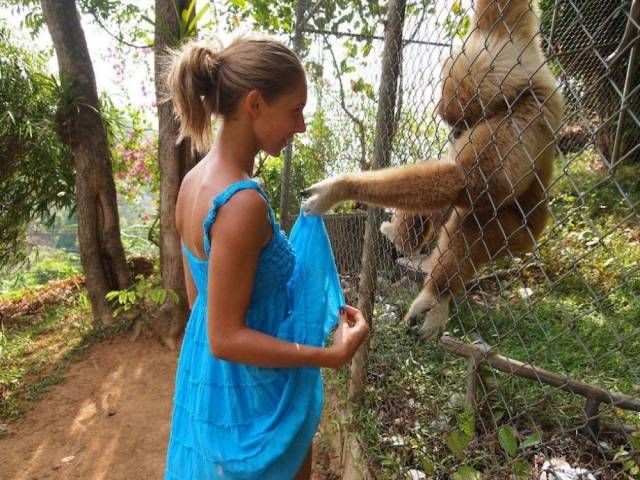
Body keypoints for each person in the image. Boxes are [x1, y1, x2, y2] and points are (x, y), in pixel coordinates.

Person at [163, 36, 370, 480]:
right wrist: (328, 356)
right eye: (295, 111)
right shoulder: (243, 202)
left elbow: (199, 299)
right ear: (256, 103)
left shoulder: (192, 183)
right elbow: (225, 335)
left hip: (209, 384)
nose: (300, 126)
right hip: (255, 396)